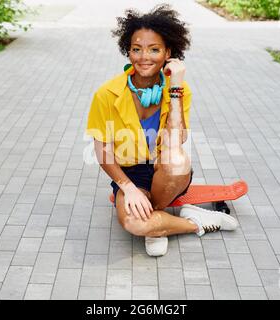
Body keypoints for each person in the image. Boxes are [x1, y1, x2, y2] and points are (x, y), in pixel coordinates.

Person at [86, 4, 239, 257]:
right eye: (137, 49)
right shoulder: (107, 94)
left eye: (154, 49)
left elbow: (177, 140)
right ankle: (190, 222)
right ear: (129, 51)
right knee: (134, 223)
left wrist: (175, 86)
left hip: (166, 171)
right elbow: (102, 151)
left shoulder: (179, 90)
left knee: (178, 160)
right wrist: (129, 188)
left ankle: (155, 221)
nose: (144, 56)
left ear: (168, 52)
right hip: (130, 174)